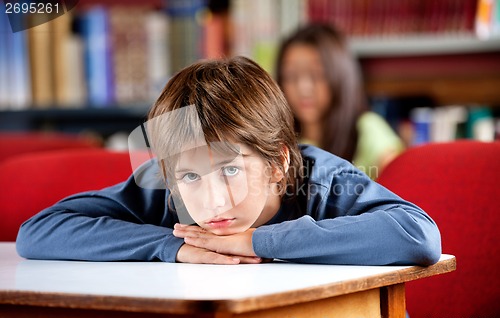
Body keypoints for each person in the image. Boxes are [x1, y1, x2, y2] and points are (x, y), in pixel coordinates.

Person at [16, 56, 441, 266]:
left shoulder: (321, 179)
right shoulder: (168, 189)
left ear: (277, 163)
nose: (213, 201)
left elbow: (417, 235)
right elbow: (38, 233)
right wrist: (171, 247)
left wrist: (255, 241)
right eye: (189, 176)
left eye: (231, 169)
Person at [276, 23, 404, 179]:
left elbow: (398, 192)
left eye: (317, 75)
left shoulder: (368, 131)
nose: (303, 88)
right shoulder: (279, 141)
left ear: (341, 76)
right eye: (290, 76)